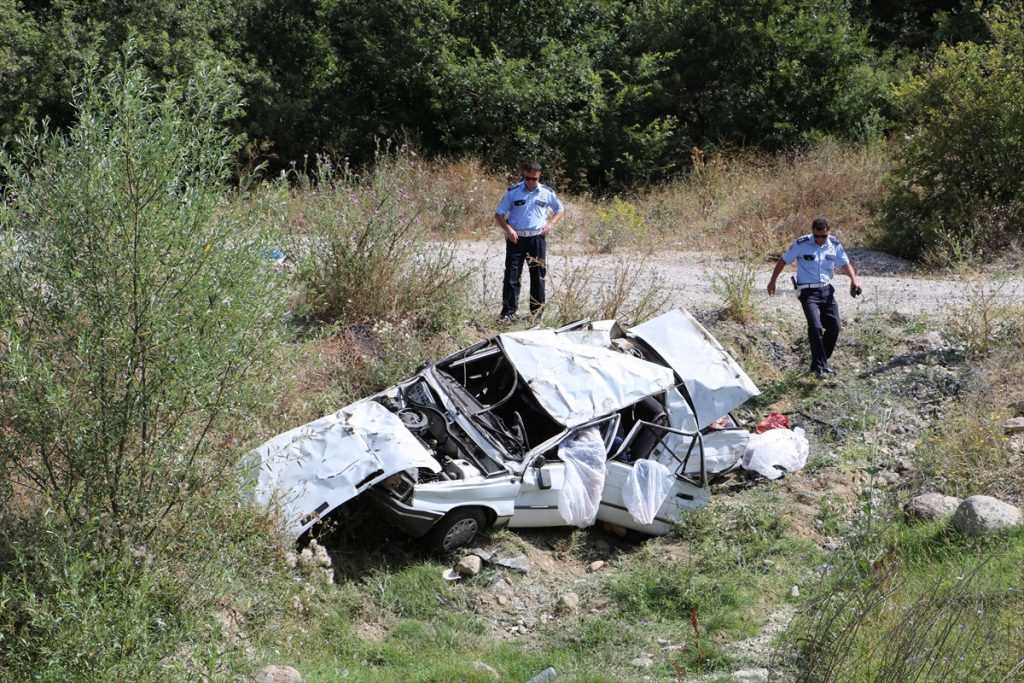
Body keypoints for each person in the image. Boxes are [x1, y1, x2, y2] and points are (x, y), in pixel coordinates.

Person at [767, 217, 862, 378]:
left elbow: (845, 263)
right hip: (808, 293)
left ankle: (818, 363)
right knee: (815, 327)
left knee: (834, 327)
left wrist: (854, 281)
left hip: (826, 291)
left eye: (823, 236)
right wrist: (772, 281)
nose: (820, 239)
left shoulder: (834, 245)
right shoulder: (802, 244)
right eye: (817, 236)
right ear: (812, 233)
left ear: (828, 233)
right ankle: (821, 367)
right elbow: (783, 260)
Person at [494, 160, 563, 321]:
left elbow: (560, 209)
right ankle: (508, 313)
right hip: (516, 238)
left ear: (539, 177)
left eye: (535, 179)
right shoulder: (513, 192)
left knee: (538, 276)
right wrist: (508, 229)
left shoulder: (546, 192)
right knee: (511, 276)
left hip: (537, 238)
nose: (531, 182)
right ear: (523, 176)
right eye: (528, 178)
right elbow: (499, 214)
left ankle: (536, 314)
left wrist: (550, 224)